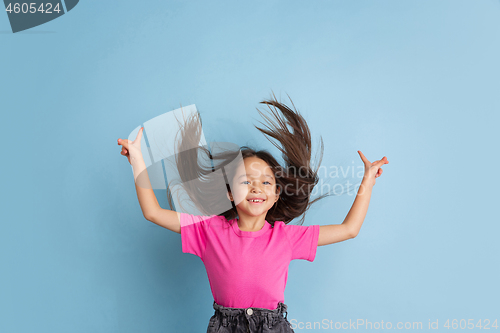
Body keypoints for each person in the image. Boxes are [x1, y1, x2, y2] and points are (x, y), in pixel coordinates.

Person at [117, 93, 389, 333]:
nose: (256, 187)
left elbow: (349, 229)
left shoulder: (287, 237)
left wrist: (368, 181)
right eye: (246, 180)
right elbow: (152, 213)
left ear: (275, 196)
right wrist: (138, 159)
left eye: (266, 182)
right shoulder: (207, 231)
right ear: (229, 193)